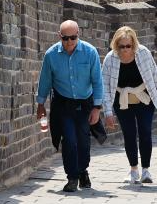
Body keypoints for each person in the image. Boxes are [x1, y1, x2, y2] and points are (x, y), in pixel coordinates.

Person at [36, 20, 104, 192]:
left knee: (82, 140)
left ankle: (83, 171)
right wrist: (40, 104)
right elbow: (45, 80)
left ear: (78, 35)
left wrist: (97, 108)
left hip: (84, 103)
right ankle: (72, 177)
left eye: (73, 38)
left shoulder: (90, 52)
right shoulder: (51, 55)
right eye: (66, 38)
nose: (69, 42)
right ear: (60, 37)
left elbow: (97, 81)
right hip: (63, 103)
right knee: (69, 140)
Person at [102, 26, 157, 185]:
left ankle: (146, 170)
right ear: (116, 45)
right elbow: (104, 86)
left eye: (128, 46)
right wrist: (108, 113)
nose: (125, 49)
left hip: (144, 98)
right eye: (121, 46)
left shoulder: (143, 53)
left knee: (145, 132)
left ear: (134, 44)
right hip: (122, 101)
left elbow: (155, 74)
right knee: (129, 134)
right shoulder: (110, 59)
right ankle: (133, 169)